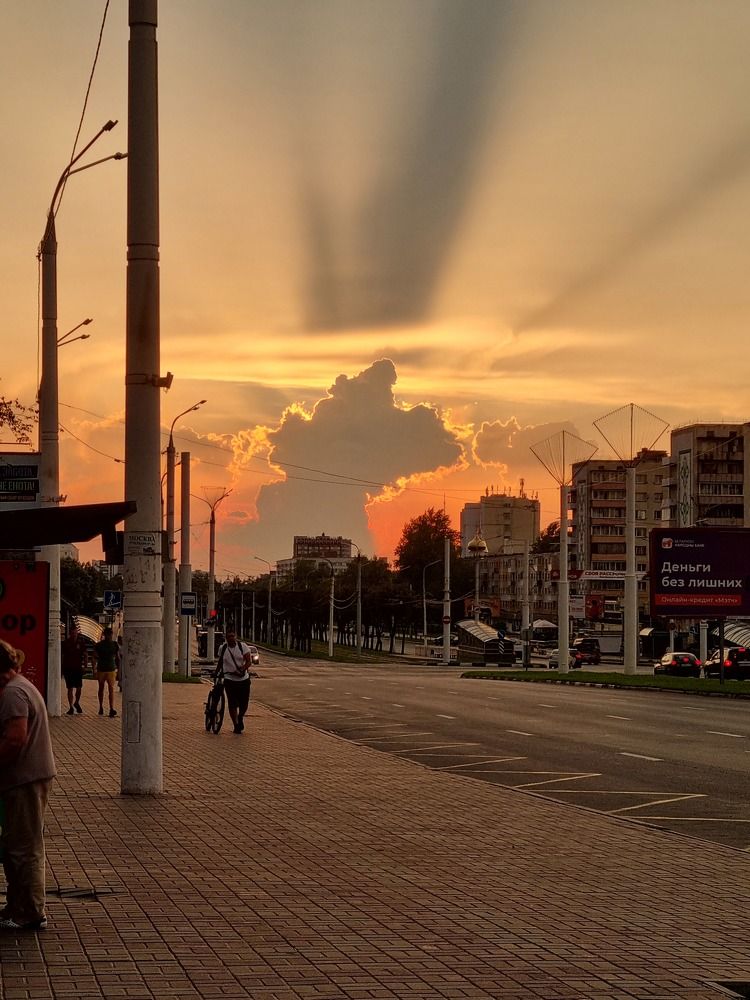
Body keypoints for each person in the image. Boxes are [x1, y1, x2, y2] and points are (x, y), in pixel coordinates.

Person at [0, 639, 56, 931]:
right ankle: (16, 905)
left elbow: (14, 739)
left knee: (24, 847)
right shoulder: (21, 686)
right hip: (27, 778)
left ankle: (31, 912)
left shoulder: (12, 694)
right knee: (15, 845)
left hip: (24, 780)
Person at [216, 630, 252, 734]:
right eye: (229, 637)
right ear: (226, 638)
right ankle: (236, 724)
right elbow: (221, 662)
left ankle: (240, 717)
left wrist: (243, 668)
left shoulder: (243, 646)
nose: (231, 638)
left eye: (233, 636)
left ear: (235, 637)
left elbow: (249, 661)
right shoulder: (223, 648)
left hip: (243, 679)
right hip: (229, 679)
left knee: (244, 703)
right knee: (232, 703)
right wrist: (217, 673)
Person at [60, 623, 87, 715]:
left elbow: (85, 654)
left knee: (79, 687)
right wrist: (62, 667)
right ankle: (71, 706)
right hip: (68, 668)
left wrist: (85, 665)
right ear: (70, 633)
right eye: (72, 633)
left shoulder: (81, 642)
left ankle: (76, 702)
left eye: (75, 633)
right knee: (70, 688)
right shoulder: (66, 643)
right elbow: (63, 656)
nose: (74, 634)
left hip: (78, 668)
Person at [94, 627, 120, 718]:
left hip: (106, 668)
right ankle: (105, 707)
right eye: (109, 634)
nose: (109, 636)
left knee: (107, 689)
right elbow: (117, 658)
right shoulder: (110, 645)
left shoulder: (103, 645)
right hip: (107, 668)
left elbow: (117, 657)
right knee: (107, 689)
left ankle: (108, 707)